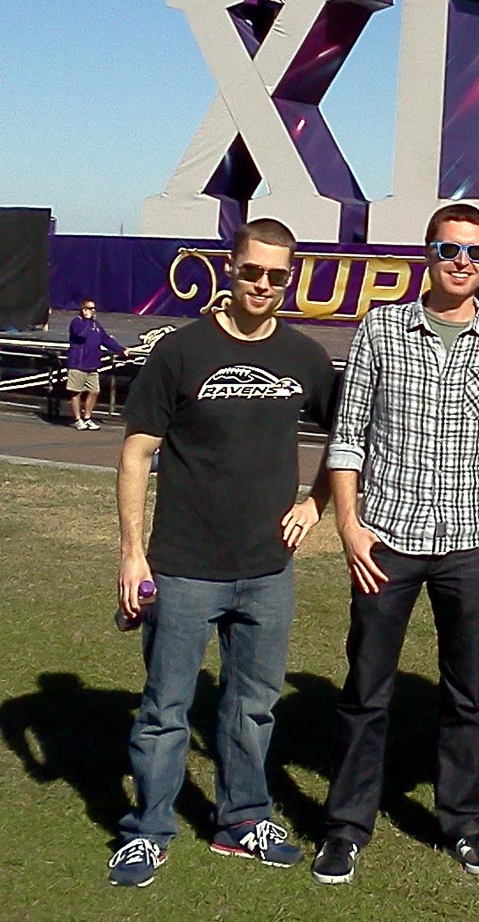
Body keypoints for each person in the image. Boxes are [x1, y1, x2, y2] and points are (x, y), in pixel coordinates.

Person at [108, 219, 337, 888]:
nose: (262, 284)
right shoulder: (181, 352)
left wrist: (315, 504)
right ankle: (147, 832)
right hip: (183, 567)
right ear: (230, 269)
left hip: (268, 570)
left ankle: (241, 820)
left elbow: (347, 437)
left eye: (276, 275)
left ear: (289, 280)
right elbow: (136, 453)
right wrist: (131, 554)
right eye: (251, 271)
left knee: (253, 707)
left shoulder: (305, 357)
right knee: (164, 712)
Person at [313, 205, 479, 885]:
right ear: (428, 253)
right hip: (386, 540)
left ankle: (465, 825)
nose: (462, 262)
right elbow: (347, 438)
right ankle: (346, 828)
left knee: (470, 694)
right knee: (366, 689)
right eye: (450, 249)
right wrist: (349, 527)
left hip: (472, 542)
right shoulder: (381, 327)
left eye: (476, 253)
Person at [66, 299, 125, 430]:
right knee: (75, 393)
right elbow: (80, 334)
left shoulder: (96, 325)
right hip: (78, 364)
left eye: (94, 309)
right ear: (83, 309)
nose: (93, 311)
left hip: (92, 365)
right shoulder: (77, 322)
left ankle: (87, 417)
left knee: (94, 391)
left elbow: (105, 339)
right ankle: (77, 419)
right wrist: (87, 320)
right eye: (90, 308)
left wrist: (120, 349)